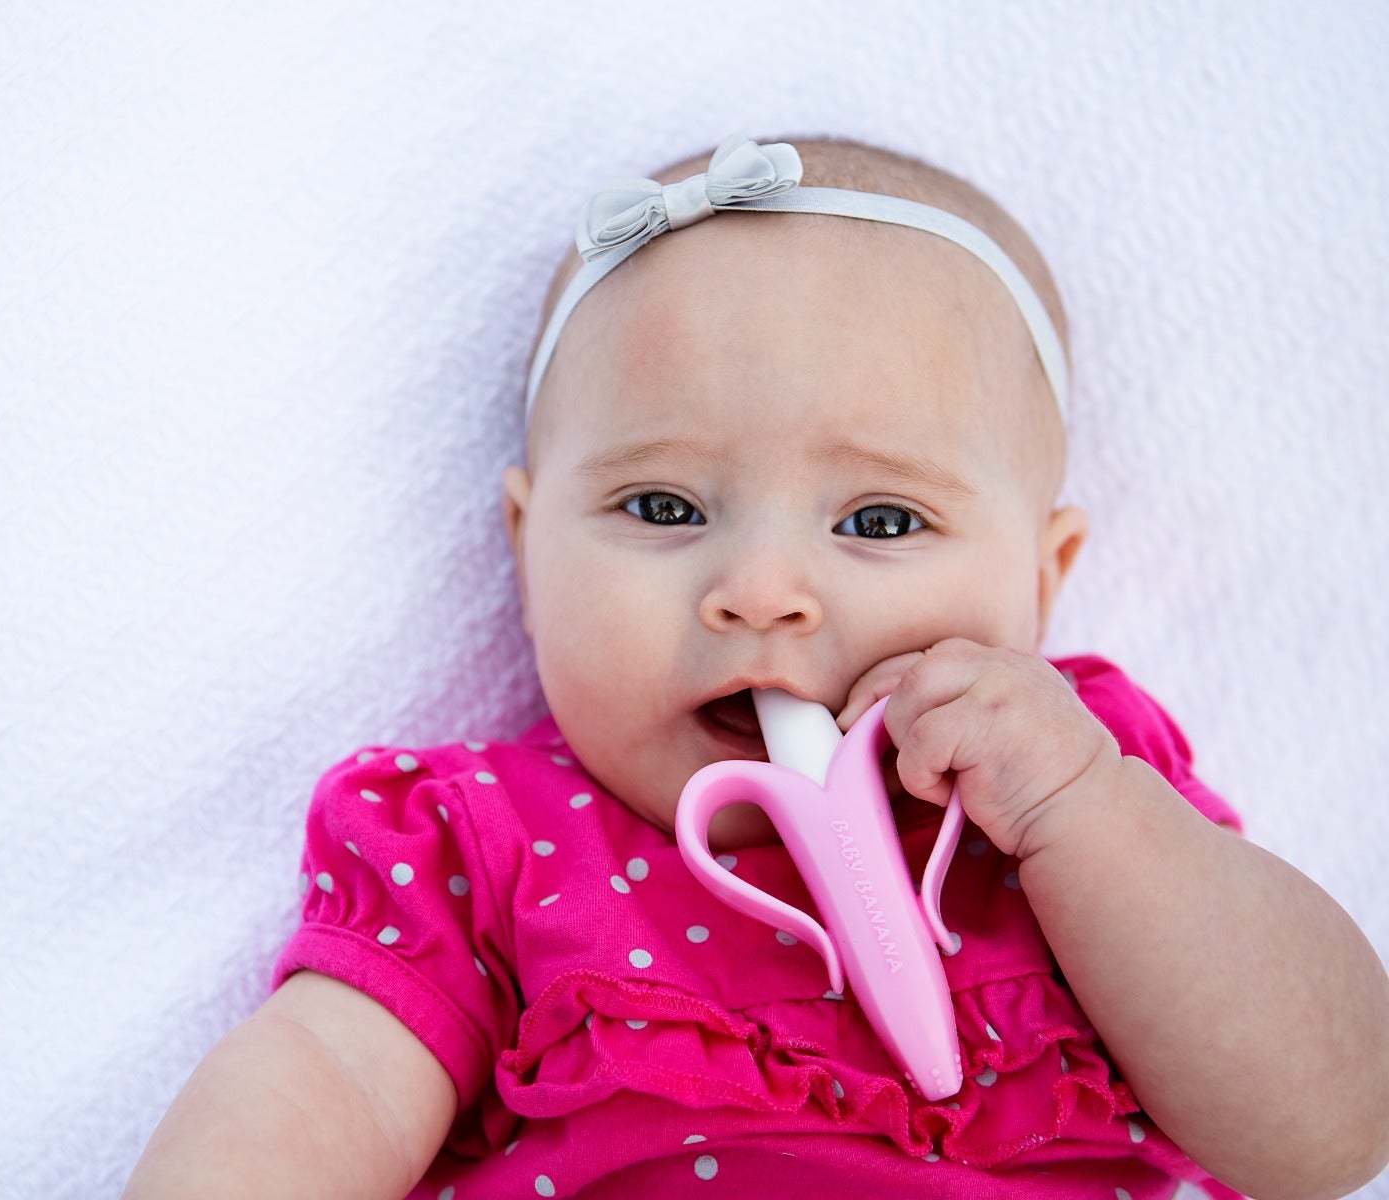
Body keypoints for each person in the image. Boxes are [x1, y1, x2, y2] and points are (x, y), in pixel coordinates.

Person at [123, 134, 1389, 1199]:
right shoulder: (485, 843)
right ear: (525, 547)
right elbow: (328, 1088)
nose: (763, 594)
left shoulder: (1085, 799)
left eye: (880, 523)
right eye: (665, 508)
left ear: (1043, 580)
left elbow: (1331, 1136)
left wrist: (1079, 808)